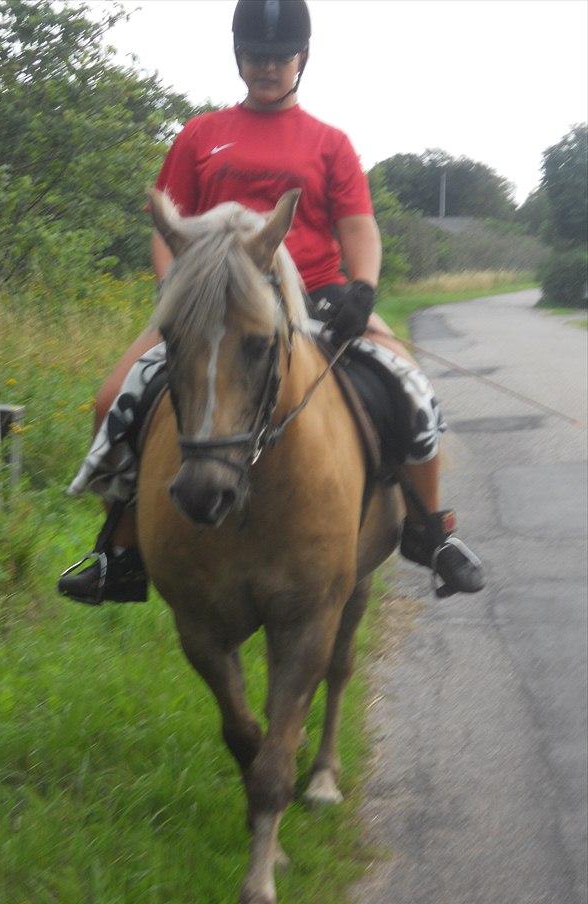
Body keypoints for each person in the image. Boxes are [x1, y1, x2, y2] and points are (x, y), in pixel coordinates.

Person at [58, 0, 485, 605]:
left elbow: (358, 226)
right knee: (110, 401)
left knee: (411, 385)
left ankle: (430, 531)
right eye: (256, 56)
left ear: (301, 60)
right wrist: (173, 288)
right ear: (239, 58)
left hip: (318, 297)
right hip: (214, 308)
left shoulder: (330, 143)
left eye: (280, 56)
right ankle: (120, 552)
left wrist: (362, 289)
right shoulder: (200, 135)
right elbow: (167, 226)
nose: (268, 66)